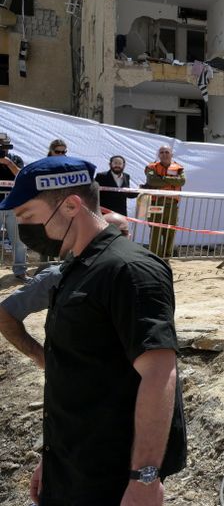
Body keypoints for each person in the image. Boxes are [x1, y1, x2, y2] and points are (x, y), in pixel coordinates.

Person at [0, 157, 186, 504]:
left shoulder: (130, 270)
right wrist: (52, 457)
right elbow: (82, 374)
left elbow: (160, 375)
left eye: (27, 216)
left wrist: (144, 478)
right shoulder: (77, 268)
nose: (23, 227)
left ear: (71, 205)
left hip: (110, 479)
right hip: (70, 467)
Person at [0, 212, 131, 368]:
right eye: (105, 234)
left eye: (119, 234)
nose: (113, 240)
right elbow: (6, 314)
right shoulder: (58, 276)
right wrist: (40, 356)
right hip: (74, 381)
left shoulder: (142, 275)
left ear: (129, 236)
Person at [144, 145, 185, 260]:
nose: (164, 154)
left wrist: (161, 178)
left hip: (172, 205)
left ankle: (167, 258)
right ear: (158, 155)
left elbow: (181, 181)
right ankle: (155, 258)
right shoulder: (151, 167)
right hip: (155, 203)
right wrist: (171, 181)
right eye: (161, 152)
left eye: (167, 152)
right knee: (155, 231)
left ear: (171, 154)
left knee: (170, 232)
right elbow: (152, 180)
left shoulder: (179, 168)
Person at [0, 135, 27, 280]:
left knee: (18, 240)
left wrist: (9, 163)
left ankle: (20, 271)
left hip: (13, 205)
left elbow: (21, 176)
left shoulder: (15, 159)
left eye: (4, 145)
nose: (1, 148)